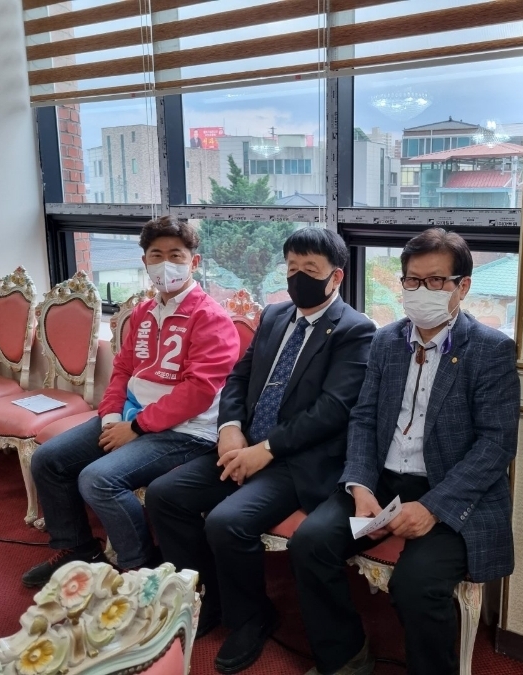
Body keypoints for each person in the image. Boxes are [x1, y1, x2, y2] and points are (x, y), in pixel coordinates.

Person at [288, 228, 520, 675]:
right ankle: (345, 658)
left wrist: (433, 507)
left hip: (449, 491)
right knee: (310, 544)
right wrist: (359, 485)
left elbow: (496, 444)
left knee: (416, 586)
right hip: (382, 480)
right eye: (412, 280)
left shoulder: (490, 350)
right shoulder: (386, 340)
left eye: (435, 281)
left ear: (462, 287)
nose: (420, 290)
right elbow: (363, 418)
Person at [146, 227, 376, 674]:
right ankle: (205, 597)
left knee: (227, 521)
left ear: (336, 276)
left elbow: (333, 410)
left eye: (310, 269)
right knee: (165, 495)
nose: (298, 277)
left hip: (297, 459)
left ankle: (252, 617)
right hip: (245, 444)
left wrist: (267, 449)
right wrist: (231, 428)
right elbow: (237, 377)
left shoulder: (355, 330)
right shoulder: (274, 314)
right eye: (292, 267)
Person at [21, 216, 240, 588]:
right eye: (156, 255)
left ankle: (140, 569)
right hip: (131, 417)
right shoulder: (143, 312)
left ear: (194, 262)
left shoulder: (211, 318)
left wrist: (136, 427)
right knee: (49, 460)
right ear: (145, 261)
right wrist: (110, 418)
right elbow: (122, 369)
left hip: (185, 431)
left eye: (176, 255)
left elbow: (199, 391)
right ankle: (78, 549)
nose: (166, 264)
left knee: (99, 480)